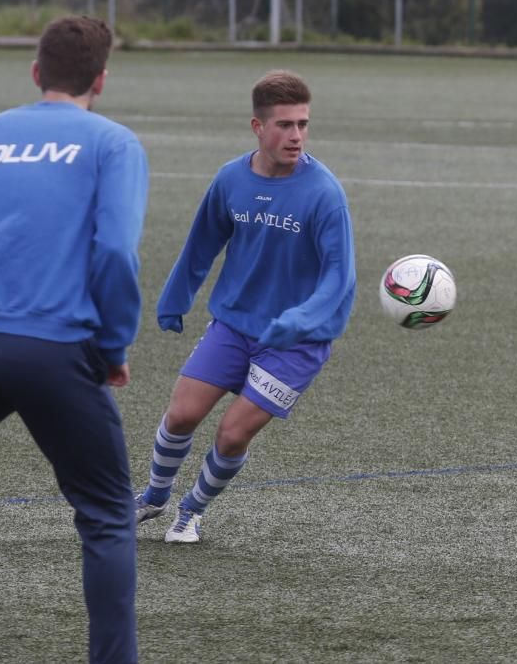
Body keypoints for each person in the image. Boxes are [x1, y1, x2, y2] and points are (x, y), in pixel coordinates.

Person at [0, 16, 146, 663]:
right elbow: (114, 253)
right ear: (101, 81)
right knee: (107, 513)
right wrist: (113, 348)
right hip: (54, 349)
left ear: (34, 72)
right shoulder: (113, 144)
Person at [133, 70, 356, 544]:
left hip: (297, 341)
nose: (295, 135)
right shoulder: (231, 179)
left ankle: (191, 511)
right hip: (233, 324)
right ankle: (153, 497)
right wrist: (176, 296)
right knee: (181, 416)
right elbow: (202, 243)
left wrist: (302, 319)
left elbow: (341, 277)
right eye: (284, 125)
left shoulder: (324, 194)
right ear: (258, 127)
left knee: (232, 435)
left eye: (303, 124)